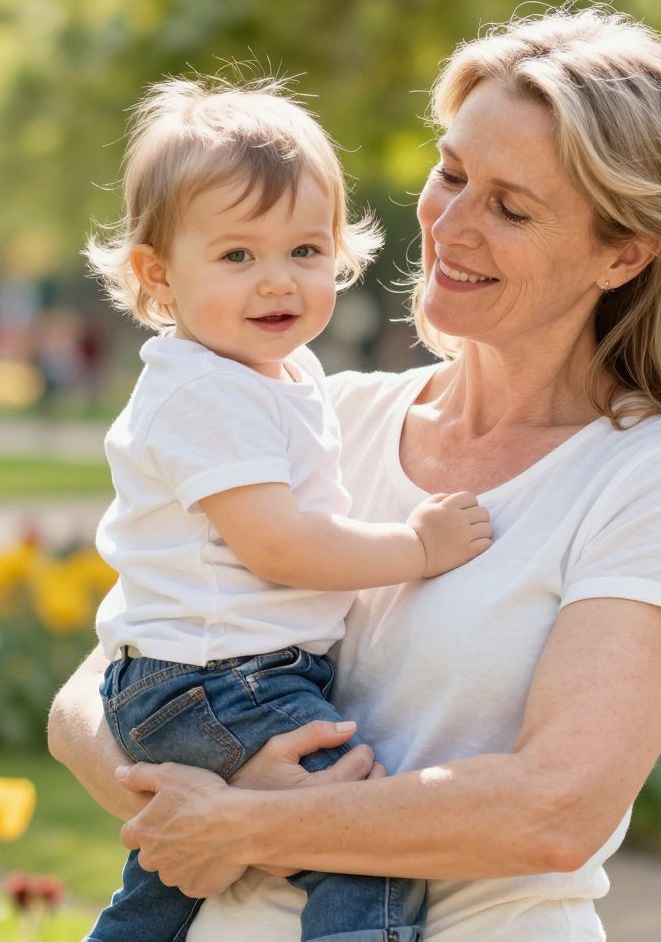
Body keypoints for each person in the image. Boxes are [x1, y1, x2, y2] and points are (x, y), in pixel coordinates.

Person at [50, 5, 661, 941]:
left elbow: (555, 810)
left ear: (624, 252)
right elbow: (95, 690)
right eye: (451, 174)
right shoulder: (322, 412)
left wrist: (248, 825)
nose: (450, 224)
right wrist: (210, 787)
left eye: (510, 207)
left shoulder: (653, 478)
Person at [80, 75, 493, 942]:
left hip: (210, 676)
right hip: (215, 681)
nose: (277, 283)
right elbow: (282, 546)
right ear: (159, 276)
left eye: (305, 252)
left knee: (165, 885)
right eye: (237, 257)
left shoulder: (278, 377)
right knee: (360, 830)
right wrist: (417, 547)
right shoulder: (207, 393)